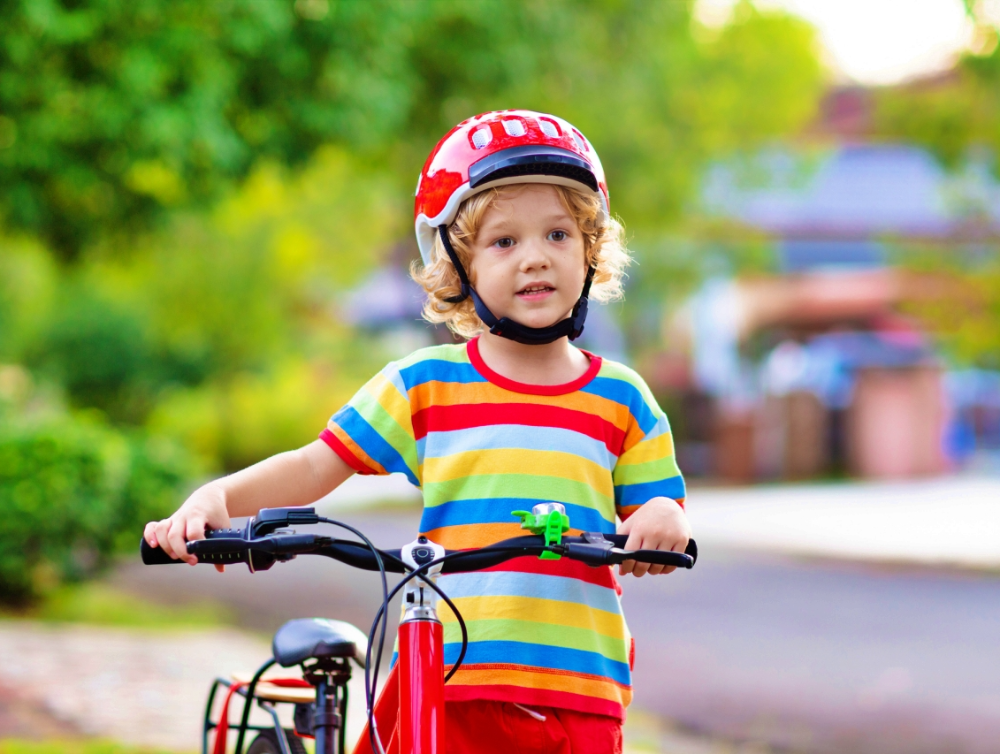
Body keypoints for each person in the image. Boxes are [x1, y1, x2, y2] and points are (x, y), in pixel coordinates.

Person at [144, 110, 691, 754]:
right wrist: (216, 499)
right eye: (504, 242)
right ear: (457, 267)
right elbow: (316, 465)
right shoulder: (423, 385)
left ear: (591, 249)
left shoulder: (623, 398)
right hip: (445, 674)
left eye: (559, 233)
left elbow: (660, 506)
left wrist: (662, 520)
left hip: (576, 685)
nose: (535, 257)